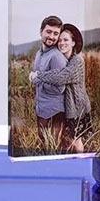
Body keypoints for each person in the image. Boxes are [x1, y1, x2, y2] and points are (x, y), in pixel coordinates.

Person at [30, 24, 92, 153]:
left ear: (73, 43)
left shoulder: (77, 61)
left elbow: (61, 76)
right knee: (67, 140)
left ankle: (81, 161)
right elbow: (56, 73)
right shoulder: (64, 58)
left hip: (77, 107)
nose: (62, 43)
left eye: (66, 40)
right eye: (60, 40)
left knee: (76, 140)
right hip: (68, 107)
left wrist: (39, 75)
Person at [30, 15, 68, 146]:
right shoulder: (39, 54)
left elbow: (60, 88)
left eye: (56, 33)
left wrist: (38, 79)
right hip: (41, 110)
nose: (52, 36)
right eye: (49, 32)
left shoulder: (57, 57)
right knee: (43, 146)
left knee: (52, 147)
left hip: (54, 112)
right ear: (41, 31)